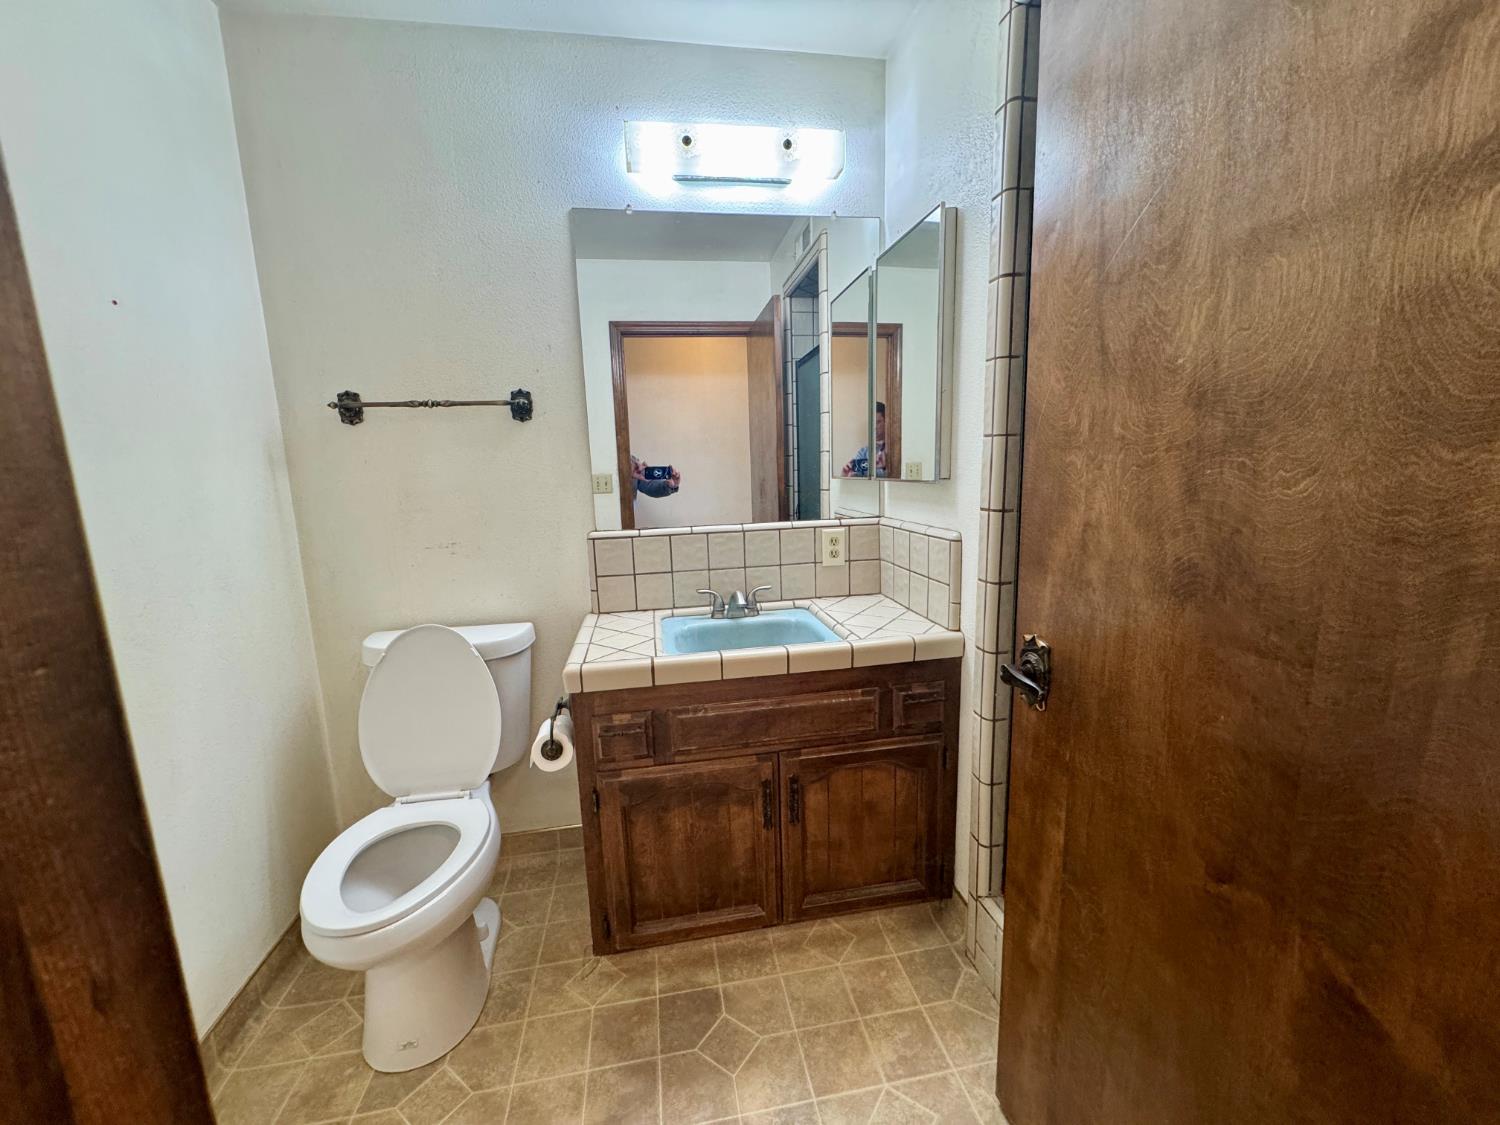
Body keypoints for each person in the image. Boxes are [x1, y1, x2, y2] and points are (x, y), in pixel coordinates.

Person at [840, 401, 887, 478]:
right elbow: (851, 474)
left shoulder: (894, 452)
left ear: (886, 422)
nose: (874, 426)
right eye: (872, 422)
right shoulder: (863, 452)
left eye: (878, 422)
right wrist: (845, 474)